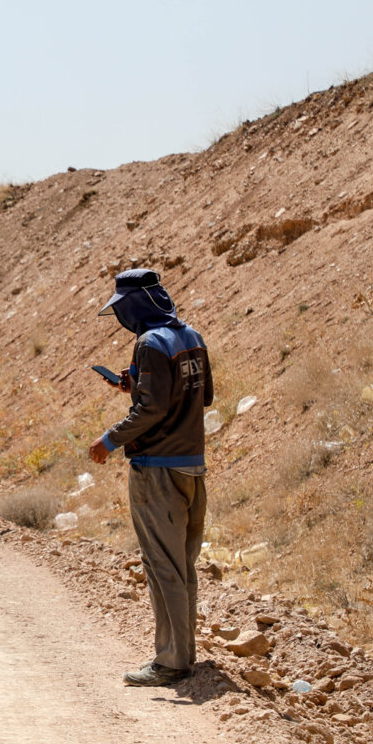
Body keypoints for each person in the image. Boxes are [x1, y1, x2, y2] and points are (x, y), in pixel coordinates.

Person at [88, 268, 214, 687]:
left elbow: (152, 412)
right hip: (192, 467)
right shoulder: (191, 336)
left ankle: (171, 663)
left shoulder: (148, 343)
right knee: (183, 566)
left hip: (156, 471)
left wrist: (108, 440)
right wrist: (138, 385)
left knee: (162, 568)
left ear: (135, 306)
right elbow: (203, 396)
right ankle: (183, 653)